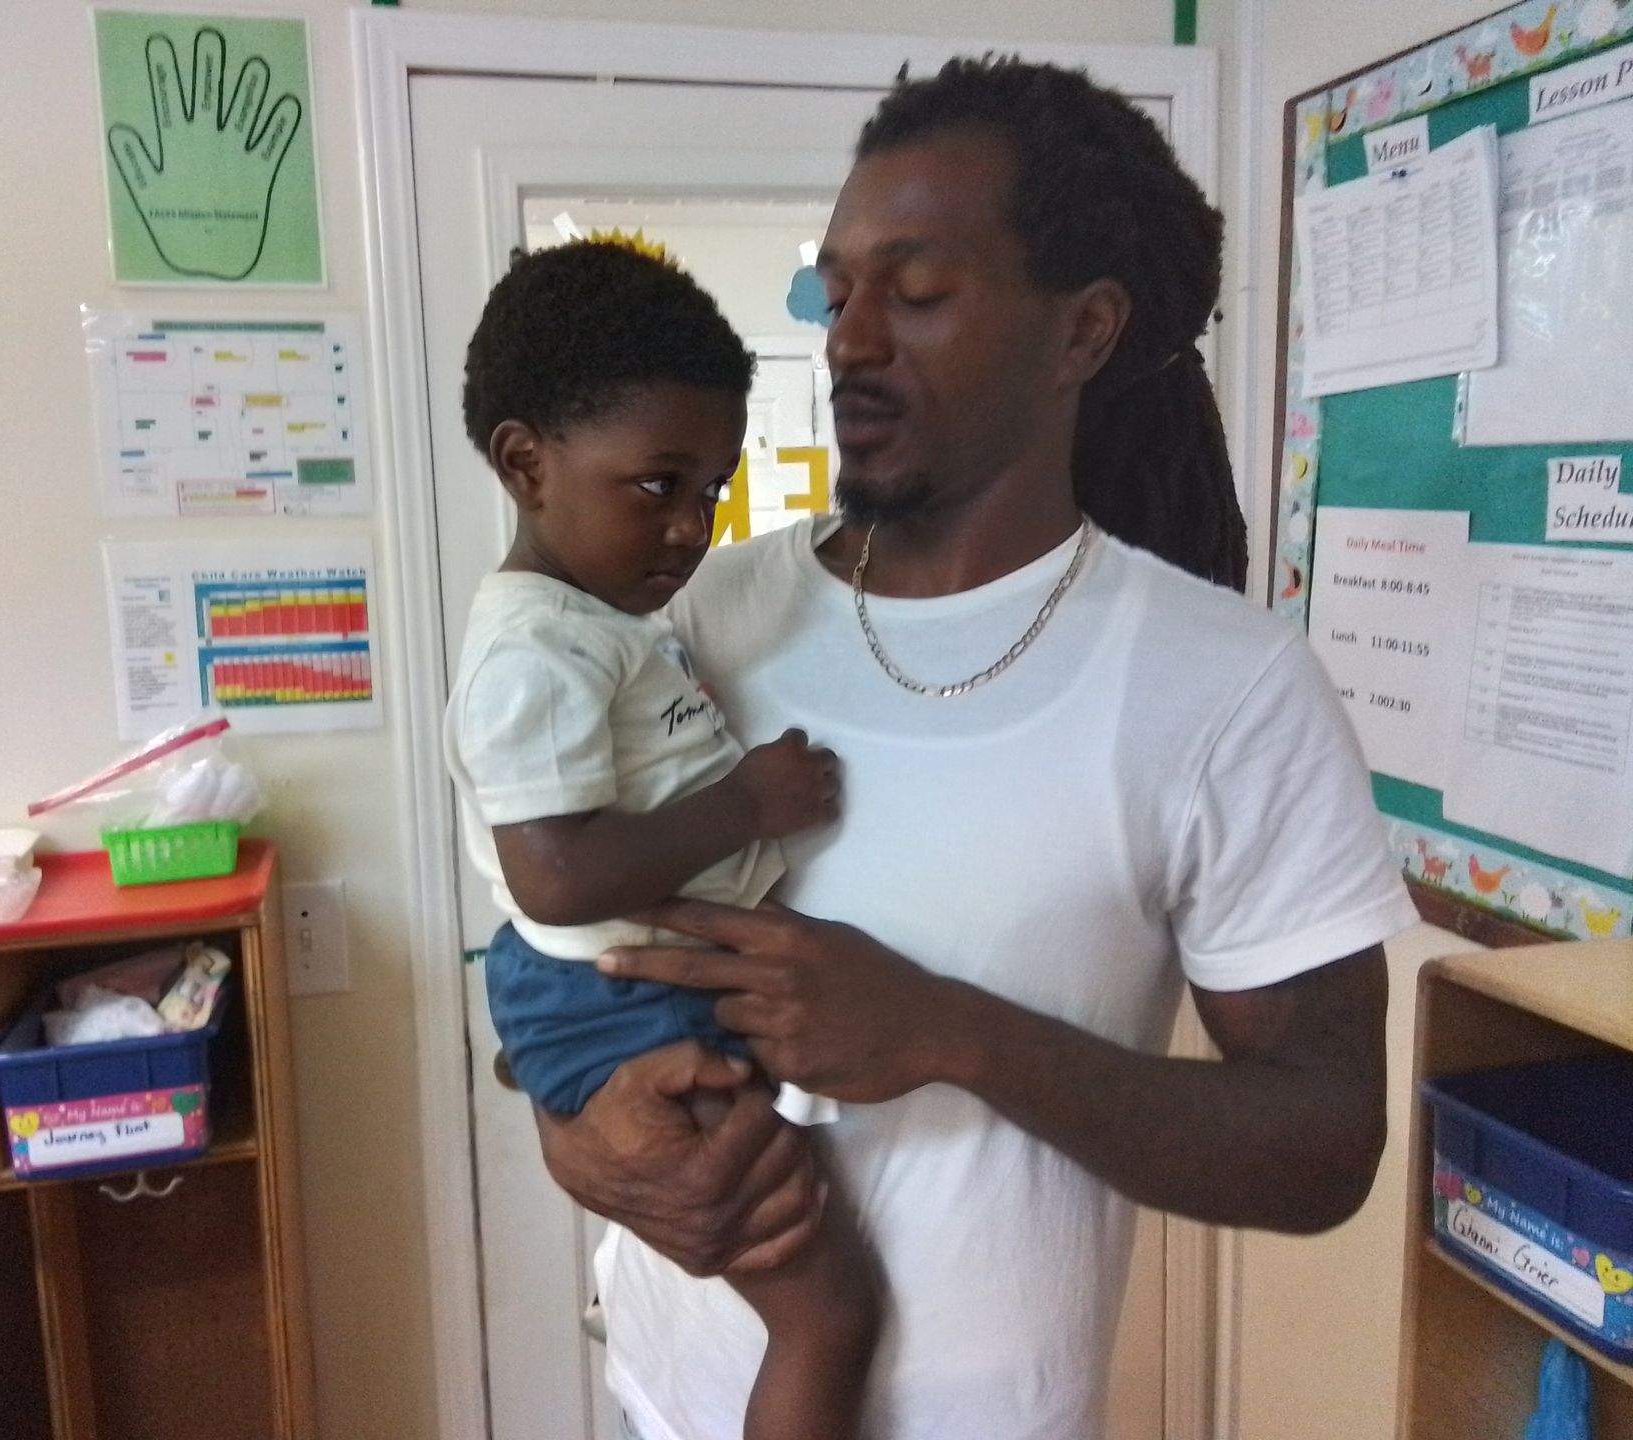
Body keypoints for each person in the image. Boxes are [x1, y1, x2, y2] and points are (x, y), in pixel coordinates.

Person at [532, 57, 1420, 1440]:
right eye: (839, 291)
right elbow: (554, 919)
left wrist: (949, 1030)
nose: (851, 337)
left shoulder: (1226, 690)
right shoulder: (706, 612)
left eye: (919, 289)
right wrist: (573, 1134)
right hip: (664, 1386)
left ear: (1083, 334)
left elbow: (1321, 1145)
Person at [442, 236, 879, 1440]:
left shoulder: (600, 625)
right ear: (526, 464)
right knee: (827, 1312)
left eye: (714, 493)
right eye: (657, 486)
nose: (690, 529)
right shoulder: (536, 649)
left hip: (623, 993)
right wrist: (750, 803)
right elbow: (556, 873)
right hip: (622, 1005)